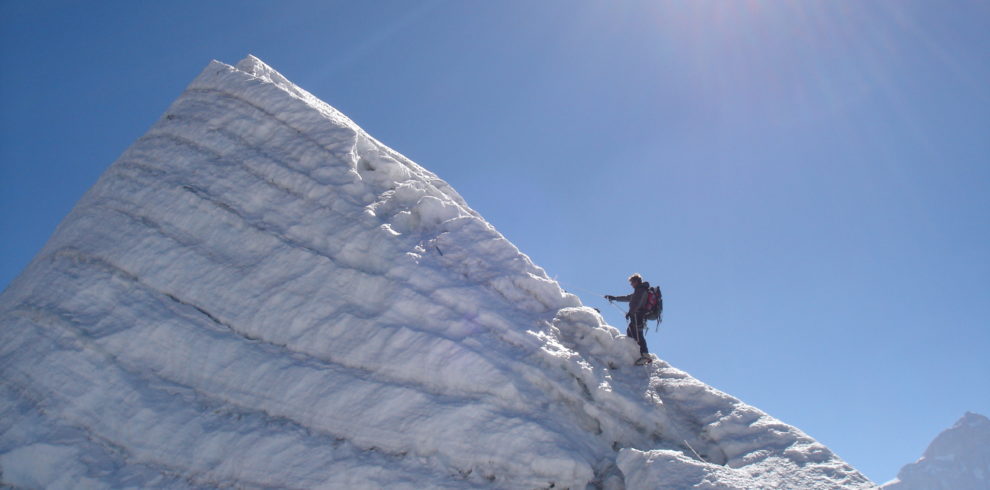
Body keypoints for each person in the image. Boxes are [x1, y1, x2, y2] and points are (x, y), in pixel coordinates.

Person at [605, 273, 653, 364]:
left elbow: (637, 303)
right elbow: (628, 298)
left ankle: (645, 356)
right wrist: (614, 298)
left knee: (638, 335)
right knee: (631, 332)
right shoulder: (639, 290)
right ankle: (636, 353)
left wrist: (631, 313)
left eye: (632, 283)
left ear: (636, 282)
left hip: (638, 315)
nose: (631, 285)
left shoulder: (640, 290)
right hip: (637, 315)